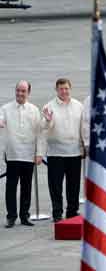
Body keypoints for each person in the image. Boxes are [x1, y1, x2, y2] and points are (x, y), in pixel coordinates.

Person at [0, 81, 45, 228]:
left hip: (28, 154)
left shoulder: (34, 110)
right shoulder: (6, 108)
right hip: (13, 154)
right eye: (18, 90)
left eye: (23, 91)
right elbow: (1, 119)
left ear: (28, 93)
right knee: (11, 187)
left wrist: (39, 153)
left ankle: (24, 215)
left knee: (26, 187)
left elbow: (39, 133)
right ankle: (11, 216)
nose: (20, 93)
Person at [42, 78, 86, 222]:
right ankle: (57, 213)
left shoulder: (78, 106)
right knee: (55, 185)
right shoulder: (49, 106)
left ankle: (72, 212)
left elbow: (83, 128)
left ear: (70, 89)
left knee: (73, 185)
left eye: (66, 88)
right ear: (57, 90)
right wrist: (48, 120)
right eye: (61, 89)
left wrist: (85, 146)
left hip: (74, 152)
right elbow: (44, 128)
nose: (64, 91)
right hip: (56, 153)